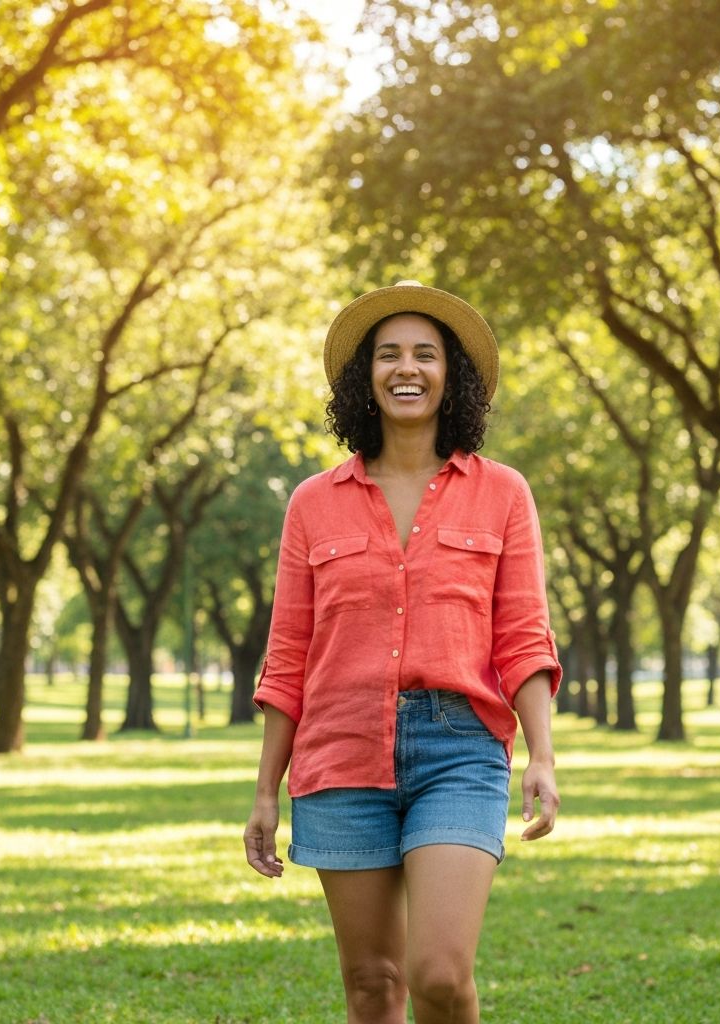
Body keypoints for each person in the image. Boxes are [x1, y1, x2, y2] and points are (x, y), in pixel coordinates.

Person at [243, 280, 562, 1024]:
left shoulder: (503, 494)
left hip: (460, 749)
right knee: (373, 984)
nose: (406, 368)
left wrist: (542, 755)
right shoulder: (312, 503)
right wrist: (265, 789)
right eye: (388, 354)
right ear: (365, 376)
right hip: (340, 752)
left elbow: (522, 633)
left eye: (425, 353)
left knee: (440, 975)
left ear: (453, 376)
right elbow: (288, 654)